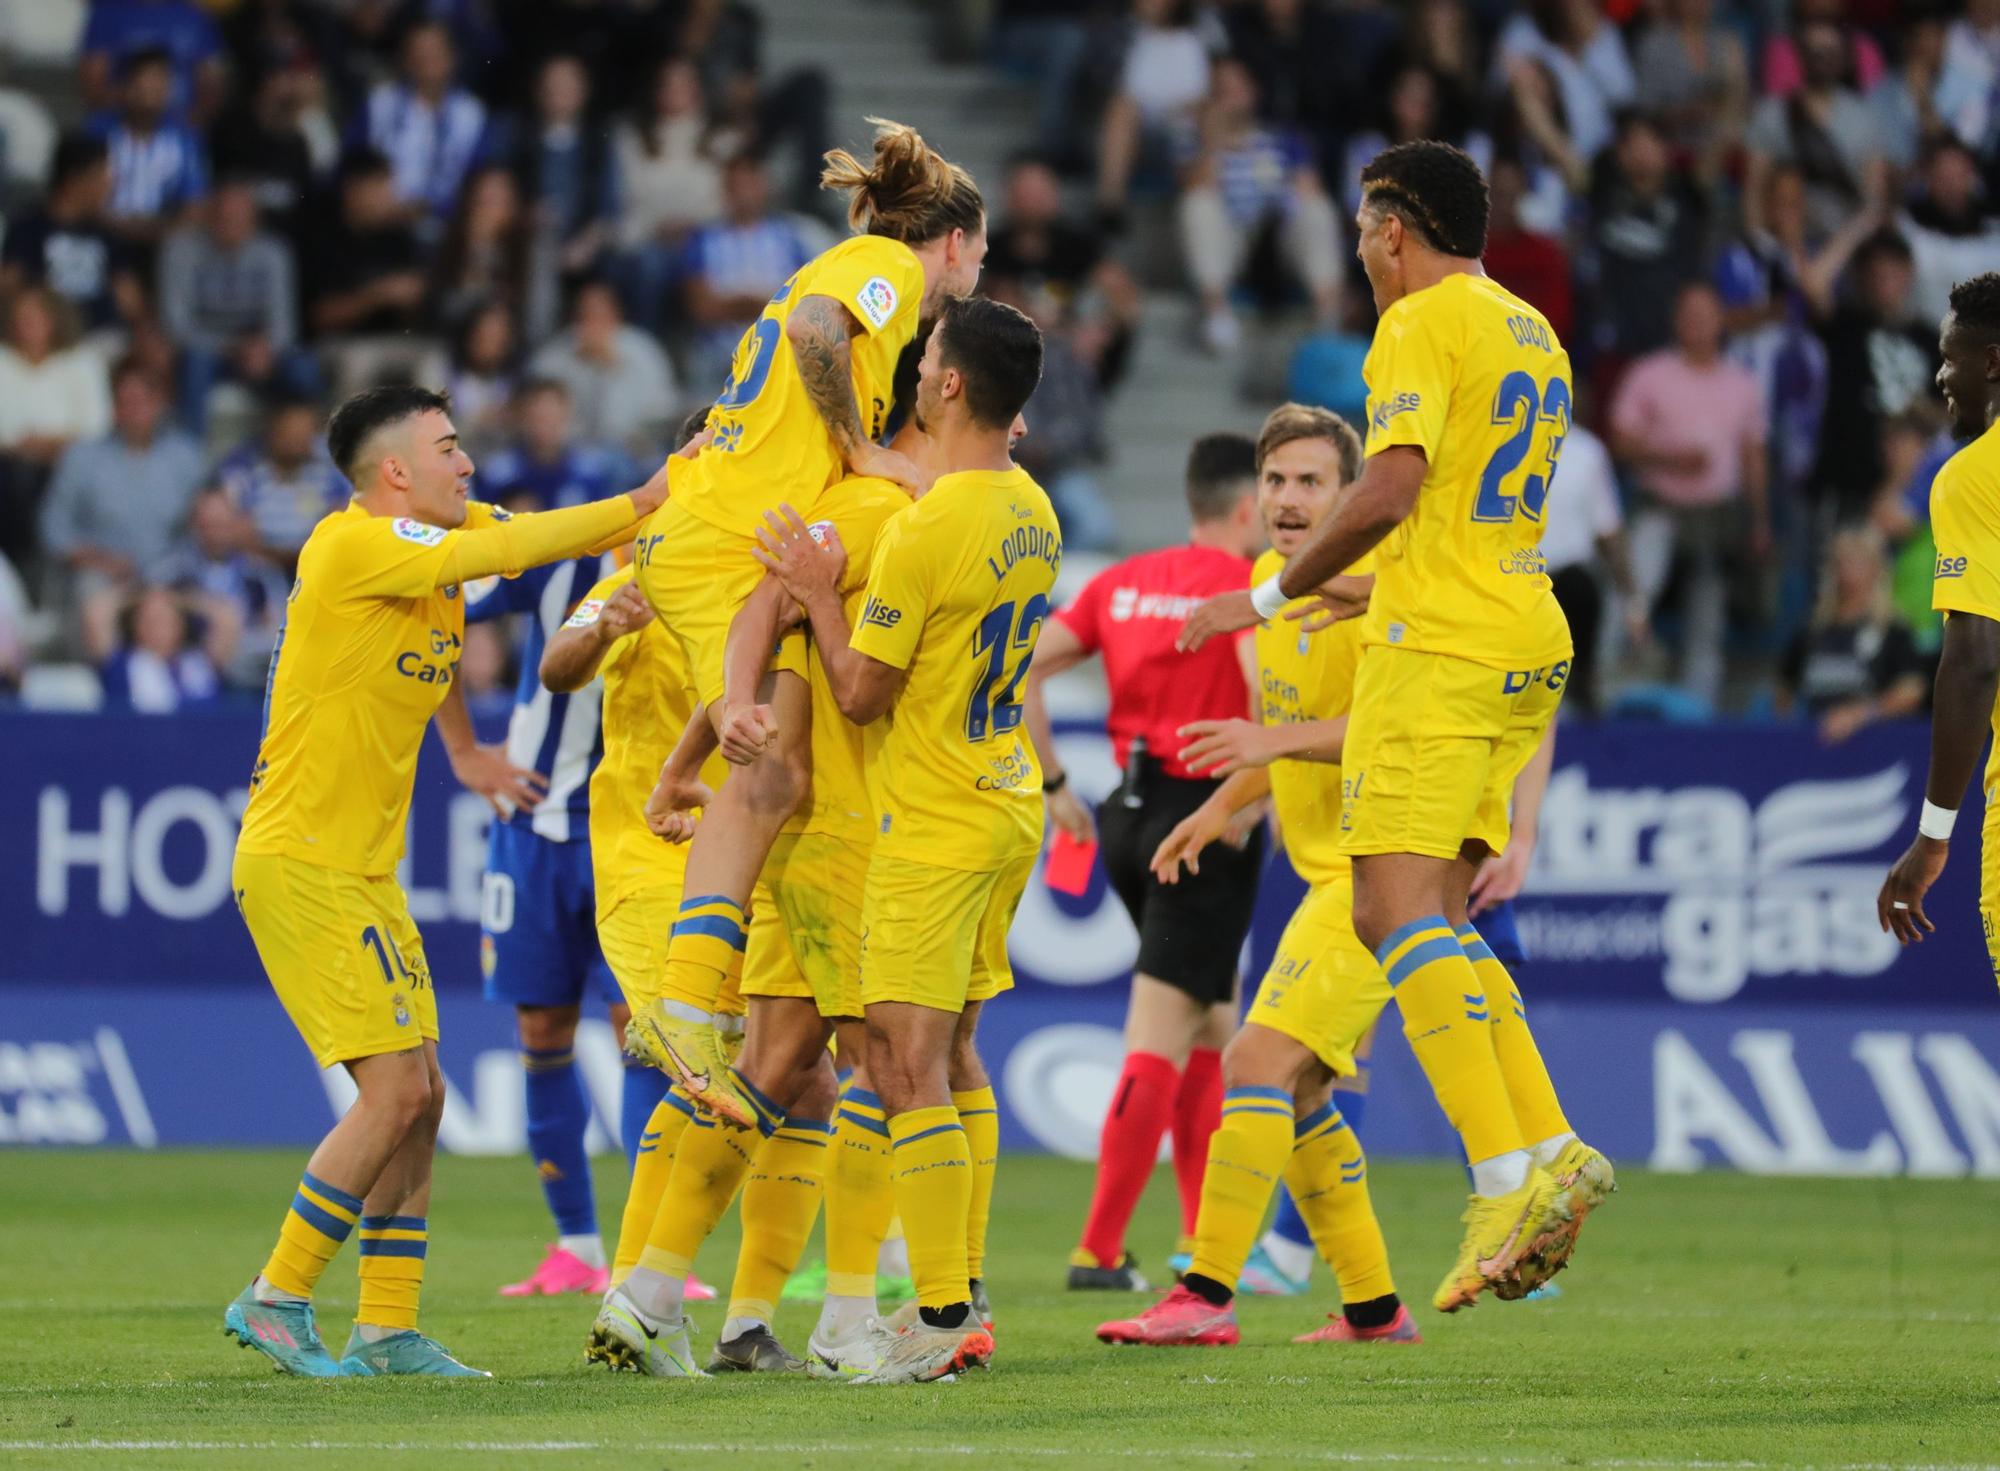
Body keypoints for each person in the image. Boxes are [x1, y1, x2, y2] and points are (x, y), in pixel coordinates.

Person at [1179, 141, 1612, 1313]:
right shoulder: (1532, 331)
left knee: (1386, 907)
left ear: (1387, 230)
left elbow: (1390, 487)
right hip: (1523, 633)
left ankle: (1501, 1175)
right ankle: (1545, 1149)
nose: (1363, 253)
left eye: (1366, 233)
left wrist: (1267, 591)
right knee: (1448, 917)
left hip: (1447, 651)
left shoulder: (1417, 323)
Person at [220, 384, 670, 1378]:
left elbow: (528, 536)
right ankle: (278, 1292)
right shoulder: (350, 546)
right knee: (389, 1093)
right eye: (450, 448)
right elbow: (507, 552)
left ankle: (385, 1329)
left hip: (363, 872)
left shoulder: (440, 538)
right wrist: (641, 499)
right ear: (396, 472)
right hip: (301, 861)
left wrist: (693, 494)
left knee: (423, 1092)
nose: (468, 465)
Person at [622, 119, 984, 1130]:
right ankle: (688, 1003)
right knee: (774, 772)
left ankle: (691, 998)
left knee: (776, 762)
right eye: (980, 254)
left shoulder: (848, 275)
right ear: (951, 242)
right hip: (722, 539)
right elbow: (814, 331)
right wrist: (857, 448)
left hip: (736, 531)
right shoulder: (884, 269)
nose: (973, 275)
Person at [749, 294, 1056, 1384]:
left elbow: (859, 690)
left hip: (932, 818)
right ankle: (960, 1292)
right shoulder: (1032, 506)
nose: (917, 362)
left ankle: (933, 1317)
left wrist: (819, 594)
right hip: (1004, 798)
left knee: (900, 1059)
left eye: (927, 353)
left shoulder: (928, 528)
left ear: (950, 386)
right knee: (957, 1053)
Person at [1098, 403, 1413, 1348]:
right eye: (1275, 480)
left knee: (1254, 1063)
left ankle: (1205, 1291)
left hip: (1385, 874)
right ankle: (1373, 1310)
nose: (1285, 498)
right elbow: (1279, 737)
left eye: (1311, 481)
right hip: (1330, 880)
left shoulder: (1375, 595)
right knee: (1303, 1089)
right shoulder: (1269, 588)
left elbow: (1392, 736)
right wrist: (1216, 808)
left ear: (1350, 496)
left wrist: (1267, 744)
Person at [1020, 432, 1266, 1291]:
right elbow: (1266, 697)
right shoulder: (1248, 592)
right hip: (1207, 820)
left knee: (1209, 1022)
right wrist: (1252, 795)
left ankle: (1204, 1237)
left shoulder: (1122, 583)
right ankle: (1097, 1250)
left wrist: (1053, 781)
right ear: (1248, 508)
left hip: (1125, 812)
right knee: (1163, 1026)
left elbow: (1020, 670)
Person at [459, 480, 636, 1299]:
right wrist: (467, 753)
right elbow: (432, 604)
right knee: (541, 1028)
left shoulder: (726, 562)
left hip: (633, 836)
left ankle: (646, 1255)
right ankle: (575, 1245)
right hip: (533, 825)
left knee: (643, 1033)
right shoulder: (573, 548)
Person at [1879, 274, 2000, 967]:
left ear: (1992, 361)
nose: (1940, 374)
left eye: (1951, 356)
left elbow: (1975, 658)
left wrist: (1932, 834)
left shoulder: (1971, 476)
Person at [1610, 280, 1770, 707]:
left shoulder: (1742, 383)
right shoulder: (1650, 373)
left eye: (1706, 315)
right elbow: (1621, 441)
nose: (1698, 324)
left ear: (1722, 321)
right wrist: (1669, 458)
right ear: (1676, 321)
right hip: (1660, 507)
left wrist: (1759, 522)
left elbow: (1753, 455)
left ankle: (1701, 705)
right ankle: (1610, 688)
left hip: (1715, 517)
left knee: (1709, 618)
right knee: (1633, 594)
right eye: (1689, 315)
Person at [40, 357, 205, 660]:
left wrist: (172, 571)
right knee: (90, 595)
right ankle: (111, 691)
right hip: (106, 578)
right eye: (125, 401)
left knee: (220, 599)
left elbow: (202, 525)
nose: (134, 410)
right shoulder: (81, 457)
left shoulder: (185, 457)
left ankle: (201, 693)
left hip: (172, 576)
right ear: (113, 405)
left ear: (160, 403)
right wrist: (100, 559)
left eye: (143, 400)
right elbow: (54, 529)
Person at [156, 177, 313, 428]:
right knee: (195, 362)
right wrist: (236, 348)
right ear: (208, 216)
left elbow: (284, 324)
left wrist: (265, 349)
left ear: (255, 220)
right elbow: (177, 326)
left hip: (260, 354)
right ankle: (191, 451)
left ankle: (306, 449)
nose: (230, 225)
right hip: (208, 352)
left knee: (303, 366)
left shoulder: (274, 253)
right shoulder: (180, 249)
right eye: (222, 217)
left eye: (239, 218)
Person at [1780, 525, 1927, 743]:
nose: (1848, 571)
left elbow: (1912, 690)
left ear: (1877, 569)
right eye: (1842, 562)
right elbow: (1784, 686)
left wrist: (1862, 715)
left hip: (1875, 743)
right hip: (1816, 739)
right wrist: (1791, 731)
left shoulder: (1893, 628)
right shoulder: (1815, 628)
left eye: (1858, 562)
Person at [527, 279, 679, 459]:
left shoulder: (643, 350)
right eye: (586, 315)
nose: (594, 324)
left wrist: (614, 370)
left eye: (601, 315)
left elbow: (665, 409)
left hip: (635, 452)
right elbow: (532, 404)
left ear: (616, 315)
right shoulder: (556, 357)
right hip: (572, 454)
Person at [213, 399, 348, 569]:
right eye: (293, 434)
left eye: (306, 434)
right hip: (257, 570)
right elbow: (239, 533)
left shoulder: (330, 466)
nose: (300, 441)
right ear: (274, 431)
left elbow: (341, 521)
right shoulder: (243, 466)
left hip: (316, 568)